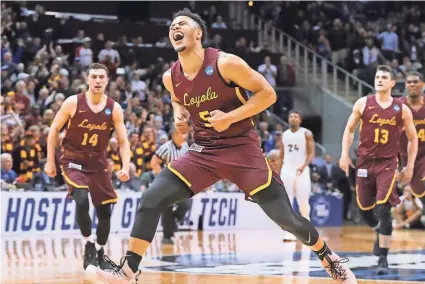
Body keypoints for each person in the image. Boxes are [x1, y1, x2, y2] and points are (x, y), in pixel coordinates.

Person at [88, 10, 357, 284]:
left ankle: (329, 259)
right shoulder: (171, 77)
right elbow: (177, 99)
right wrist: (179, 114)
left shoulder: (226, 63)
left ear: (198, 33)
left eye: (182, 24)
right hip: (203, 150)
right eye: (171, 26)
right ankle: (129, 271)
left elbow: (268, 94)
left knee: (287, 220)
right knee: (150, 199)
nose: (175, 28)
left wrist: (229, 117)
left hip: (242, 149)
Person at [44, 63, 131, 270]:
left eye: (102, 77)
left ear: (107, 80)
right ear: (87, 79)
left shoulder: (114, 108)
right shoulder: (73, 102)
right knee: (81, 199)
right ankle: (88, 244)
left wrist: (125, 166)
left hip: (98, 163)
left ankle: (100, 251)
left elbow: (123, 142)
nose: (98, 80)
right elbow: (53, 130)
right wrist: (49, 161)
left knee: (105, 213)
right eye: (94, 76)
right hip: (73, 160)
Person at [339, 65, 418, 275]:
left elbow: (412, 138)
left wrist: (409, 167)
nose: (380, 80)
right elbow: (349, 129)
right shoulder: (363, 103)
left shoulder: (401, 109)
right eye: (377, 77)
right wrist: (344, 155)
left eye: (384, 77)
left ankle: (383, 257)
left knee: (383, 208)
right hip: (365, 162)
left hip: (388, 164)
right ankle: (377, 231)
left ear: (392, 83)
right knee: (365, 207)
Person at [279, 110, 315, 241]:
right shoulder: (284, 135)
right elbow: (281, 155)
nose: (293, 118)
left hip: (302, 169)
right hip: (287, 169)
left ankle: (307, 229)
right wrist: (278, 172)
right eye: (291, 117)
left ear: (300, 120)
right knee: (287, 202)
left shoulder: (306, 133)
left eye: (296, 116)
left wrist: (304, 165)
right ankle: (290, 231)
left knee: (303, 201)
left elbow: (311, 154)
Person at [151, 128, 191, 244]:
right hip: (167, 183)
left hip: (181, 182)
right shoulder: (166, 147)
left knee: (186, 204)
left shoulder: (185, 146)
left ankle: (173, 223)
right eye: (183, 134)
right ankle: (167, 236)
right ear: (175, 135)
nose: (185, 136)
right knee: (167, 209)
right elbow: (154, 162)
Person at [399, 72, 425, 225]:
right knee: (420, 194)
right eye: (409, 82)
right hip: (408, 160)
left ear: (422, 84)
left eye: (415, 81)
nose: (412, 84)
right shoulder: (398, 107)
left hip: (424, 155)